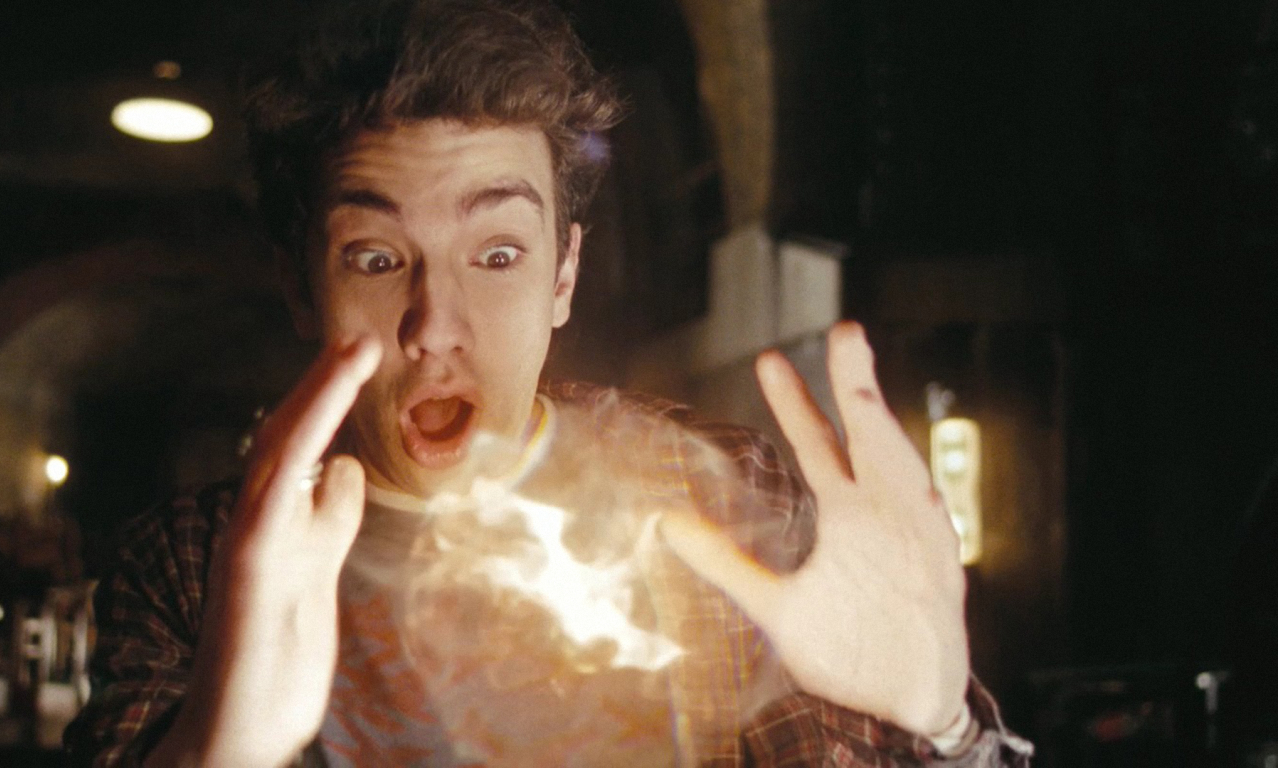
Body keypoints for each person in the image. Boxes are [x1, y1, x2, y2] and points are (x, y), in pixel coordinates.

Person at [63, 0, 1034, 765]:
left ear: (563, 276)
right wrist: (213, 754)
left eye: (496, 255)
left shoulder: (715, 503)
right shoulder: (196, 564)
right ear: (298, 286)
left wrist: (944, 730)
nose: (435, 327)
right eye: (375, 259)